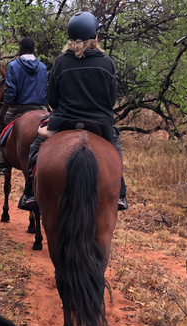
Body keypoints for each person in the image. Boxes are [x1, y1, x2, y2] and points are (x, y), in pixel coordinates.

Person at [18, 11, 128, 211]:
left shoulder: (61, 62)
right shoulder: (107, 63)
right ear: (94, 37)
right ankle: (120, 194)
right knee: (116, 151)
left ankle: (30, 193)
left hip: (63, 121)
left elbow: (51, 99)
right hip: (100, 125)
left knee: (36, 148)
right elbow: (111, 100)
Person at [0, 37, 49, 177]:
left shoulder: (14, 66)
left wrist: (2, 115)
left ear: (20, 49)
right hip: (41, 108)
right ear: (33, 50)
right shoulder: (43, 67)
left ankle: (0, 164)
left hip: (18, 107)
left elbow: (10, 94)